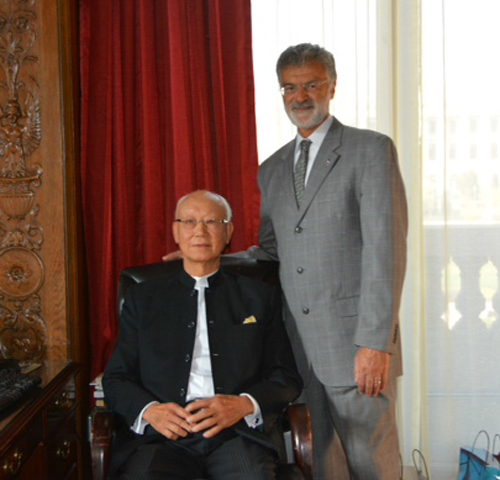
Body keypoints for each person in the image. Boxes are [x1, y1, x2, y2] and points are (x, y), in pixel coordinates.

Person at [248, 43, 408, 479]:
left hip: (356, 347)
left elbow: (386, 251)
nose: (300, 97)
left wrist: (375, 344)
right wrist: (204, 259)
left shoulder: (370, 150)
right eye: (289, 88)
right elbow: (270, 252)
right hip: (298, 351)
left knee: (372, 467)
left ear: (332, 86)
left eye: (311, 85)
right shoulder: (272, 168)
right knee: (319, 466)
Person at [103, 190, 303, 480]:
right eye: (189, 221)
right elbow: (116, 378)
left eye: (211, 221)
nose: (200, 230)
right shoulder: (143, 298)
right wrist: (151, 411)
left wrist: (245, 403)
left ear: (228, 231)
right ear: (176, 230)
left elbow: (285, 376)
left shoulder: (258, 297)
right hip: (164, 437)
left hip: (234, 434)